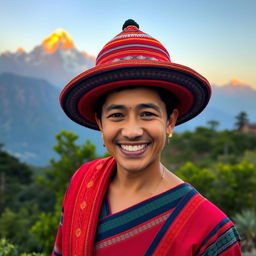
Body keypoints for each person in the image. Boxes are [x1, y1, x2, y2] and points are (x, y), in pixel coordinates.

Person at [52, 19, 241, 255]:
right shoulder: (83, 183)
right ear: (100, 123)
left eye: (147, 114)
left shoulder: (209, 231)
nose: (131, 131)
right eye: (117, 115)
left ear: (170, 121)